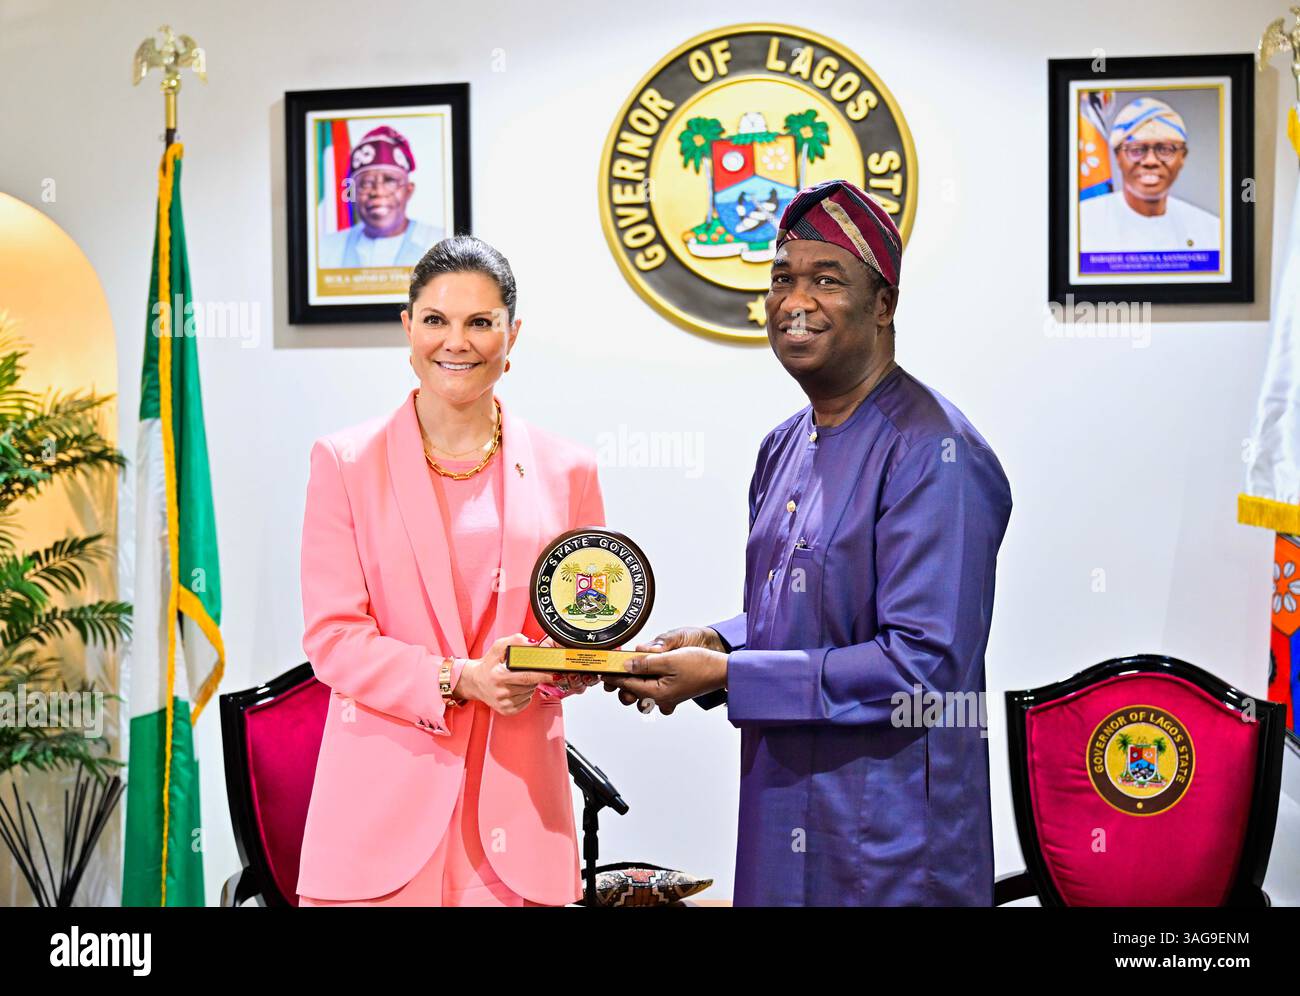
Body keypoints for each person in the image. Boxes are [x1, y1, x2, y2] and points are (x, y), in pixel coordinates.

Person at [605, 179, 1013, 906]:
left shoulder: (935, 451)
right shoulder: (782, 447)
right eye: (783, 280)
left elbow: (923, 664)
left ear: (883, 304)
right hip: (780, 807)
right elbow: (807, 615)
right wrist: (722, 641)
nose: (796, 301)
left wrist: (730, 677)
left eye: (828, 280)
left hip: (890, 845)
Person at [296, 236, 600, 907]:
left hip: (519, 826)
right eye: (435, 319)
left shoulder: (569, 471)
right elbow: (333, 641)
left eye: (480, 322)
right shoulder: (344, 464)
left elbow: (583, 632)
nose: (455, 342)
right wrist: (459, 679)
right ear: (408, 328)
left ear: (511, 334)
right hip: (378, 827)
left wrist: (546, 673)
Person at [1078, 97, 1219, 253]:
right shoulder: (1080, 224)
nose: (1150, 161)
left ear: (1183, 157)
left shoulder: (1212, 232)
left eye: (1165, 149)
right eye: (1137, 150)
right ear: (1118, 157)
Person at [318, 125, 442, 268]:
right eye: (366, 183)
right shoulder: (325, 249)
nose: (378, 191)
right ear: (352, 193)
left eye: (390, 181)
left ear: (408, 190)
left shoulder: (439, 242)